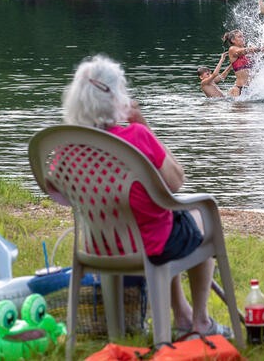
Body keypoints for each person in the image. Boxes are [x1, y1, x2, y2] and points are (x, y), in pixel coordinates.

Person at [62, 54, 232, 338]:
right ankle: (200, 321)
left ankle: (182, 315)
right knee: (201, 216)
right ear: (117, 96)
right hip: (150, 246)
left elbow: (59, 192)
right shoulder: (137, 136)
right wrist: (143, 123)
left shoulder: (66, 144)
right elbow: (176, 181)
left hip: (98, 246)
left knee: (170, 217)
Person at [222, 29, 264, 97]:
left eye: (243, 36)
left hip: (251, 89)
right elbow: (242, 51)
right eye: (240, 37)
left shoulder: (249, 52)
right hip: (239, 90)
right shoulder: (232, 49)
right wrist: (259, 49)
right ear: (233, 40)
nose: (243, 38)